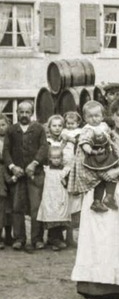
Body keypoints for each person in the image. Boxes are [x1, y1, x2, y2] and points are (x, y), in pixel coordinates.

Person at [71, 95, 119, 299]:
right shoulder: (101, 134)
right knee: (99, 239)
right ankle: (95, 289)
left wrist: (118, 172)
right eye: (118, 115)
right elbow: (84, 159)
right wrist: (99, 175)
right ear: (111, 116)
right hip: (99, 190)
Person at [3, 101, 48, 252]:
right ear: (17, 112)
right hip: (17, 175)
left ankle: (37, 239)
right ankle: (19, 239)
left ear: (32, 113)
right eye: (21, 112)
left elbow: (43, 148)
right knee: (17, 207)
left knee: (36, 207)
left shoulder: (38, 129)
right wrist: (12, 167)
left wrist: (34, 164)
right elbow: (6, 151)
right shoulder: (11, 130)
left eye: (27, 112)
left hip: (35, 175)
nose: (24, 115)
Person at [67, 101, 119, 213]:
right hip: (94, 157)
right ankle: (97, 201)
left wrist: (113, 138)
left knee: (113, 173)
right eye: (90, 116)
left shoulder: (104, 125)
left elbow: (110, 134)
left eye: (97, 116)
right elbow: (84, 143)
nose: (94, 119)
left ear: (102, 116)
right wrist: (91, 151)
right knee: (99, 179)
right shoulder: (87, 129)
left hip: (105, 155)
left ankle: (109, 196)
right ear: (85, 118)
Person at [36, 146, 70, 251]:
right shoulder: (46, 169)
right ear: (50, 158)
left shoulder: (65, 170)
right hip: (50, 197)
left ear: (62, 158)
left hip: (60, 196)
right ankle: (54, 239)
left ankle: (57, 239)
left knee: (60, 216)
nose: (56, 160)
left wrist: (65, 182)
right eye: (54, 158)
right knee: (51, 216)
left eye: (58, 158)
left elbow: (67, 183)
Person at [61, 111, 83, 248]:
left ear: (78, 123)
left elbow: (79, 144)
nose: (70, 126)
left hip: (75, 164)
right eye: (68, 123)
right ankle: (66, 235)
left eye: (72, 123)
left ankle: (74, 235)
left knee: (76, 203)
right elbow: (60, 147)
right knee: (66, 202)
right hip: (65, 165)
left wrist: (69, 139)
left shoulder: (79, 132)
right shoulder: (63, 131)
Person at [0, 114, 11, 249]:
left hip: (10, 171)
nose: (1, 128)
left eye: (3, 125)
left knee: (11, 205)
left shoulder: (11, 139)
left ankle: (9, 234)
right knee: (1, 205)